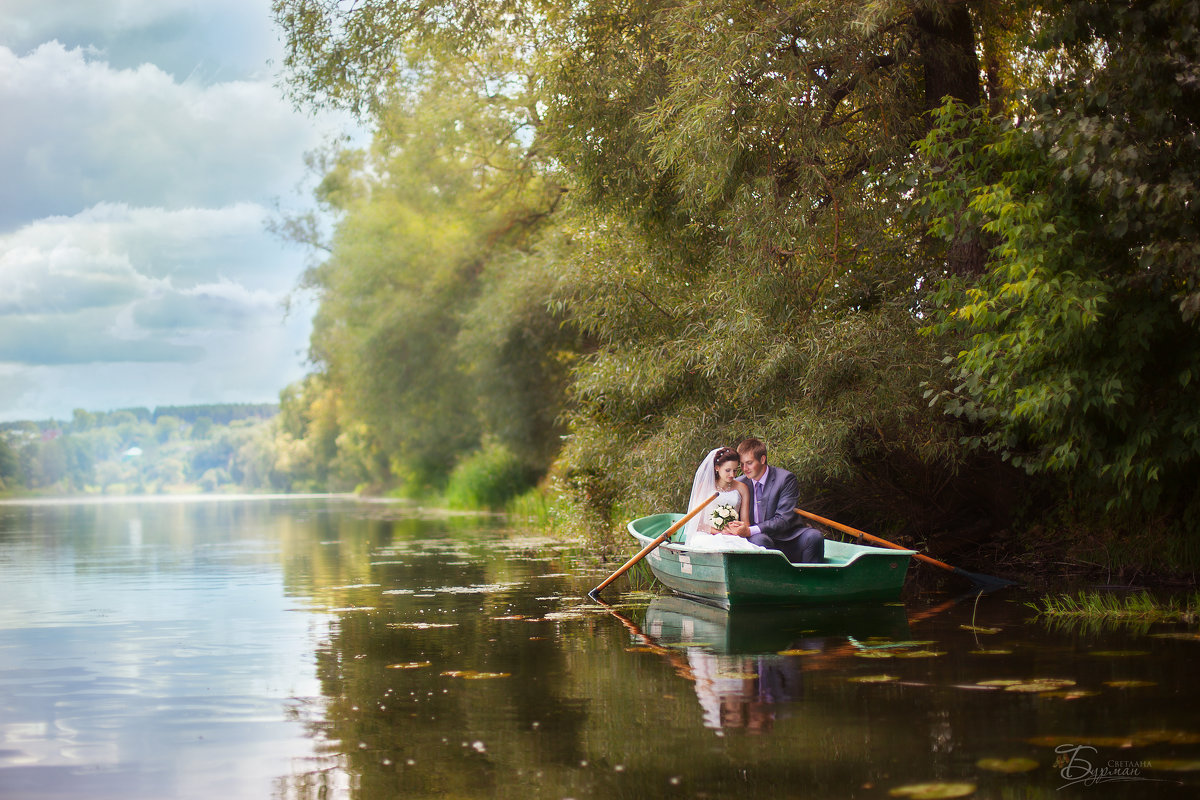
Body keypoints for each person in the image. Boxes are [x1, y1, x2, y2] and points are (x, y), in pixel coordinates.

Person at [724, 438, 824, 563]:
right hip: (758, 538)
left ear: (762, 459)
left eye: (749, 463)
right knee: (759, 541)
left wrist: (750, 530)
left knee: (815, 537)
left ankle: (811, 580)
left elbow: (784, 519)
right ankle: (773, 581)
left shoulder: (785, 479)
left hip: (787, 536)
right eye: (742, 464)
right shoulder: (738, 484)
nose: (745, 468)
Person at [682, 447, 765, 552]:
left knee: (743, 547)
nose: (732, 475)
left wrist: (737, 529)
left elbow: (745, 523)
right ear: (717, 468)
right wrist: (719, 532)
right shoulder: (705, 487)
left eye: (735, 470)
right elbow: (697, 522)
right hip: (707, 534)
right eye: (728, 470)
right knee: (713, 543)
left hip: (732, 535)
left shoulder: (742, 488)